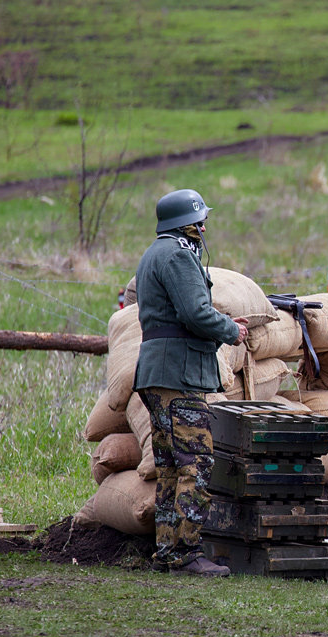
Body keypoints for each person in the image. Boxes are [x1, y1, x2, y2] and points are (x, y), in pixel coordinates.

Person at [133, 188, 249, 577]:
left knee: (169, 465)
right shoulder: (179, 254)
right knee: (196, 463)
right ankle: (185, 553)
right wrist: (231, 329)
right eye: (201, 221)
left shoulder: (154, 253)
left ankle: (167, 551)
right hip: (178, 374)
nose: (205, 227)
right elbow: (196, 313)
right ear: (191, 223)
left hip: (156, 373)